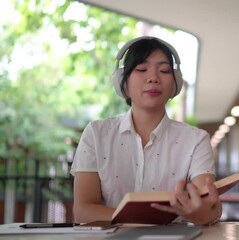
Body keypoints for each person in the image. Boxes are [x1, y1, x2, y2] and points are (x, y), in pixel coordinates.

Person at [70, 36, 222, 226]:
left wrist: (199, 213)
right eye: (141, 69)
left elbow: (211, 208)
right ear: (122, 81)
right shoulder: (96, 134)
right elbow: (83, 211)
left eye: (164, 70)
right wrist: (153, 219)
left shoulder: (196, 139)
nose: (153, 78)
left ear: (175, 83)